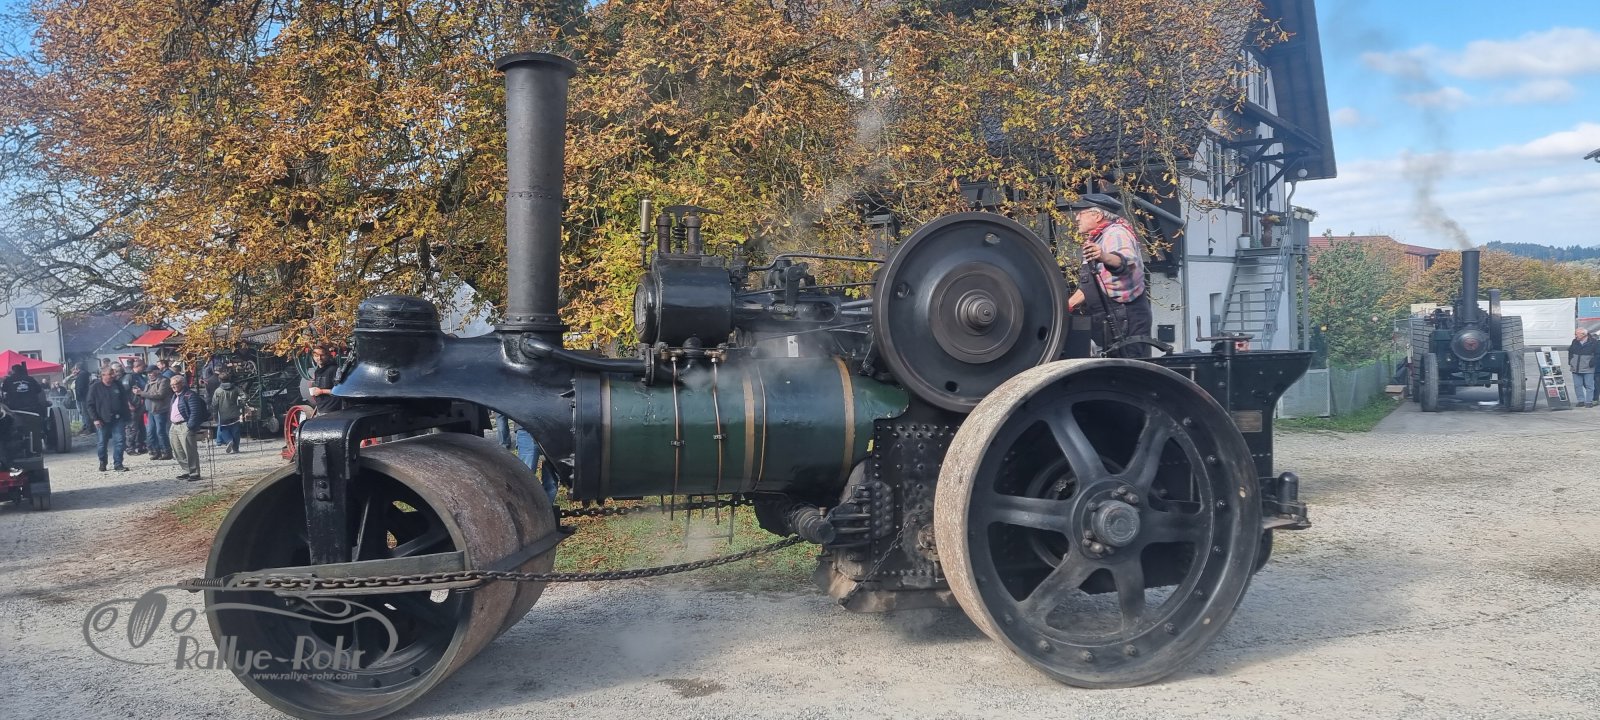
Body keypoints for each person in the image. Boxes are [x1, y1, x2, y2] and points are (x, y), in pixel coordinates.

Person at [1064, 192, 1152, 358]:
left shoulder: (1116, 233)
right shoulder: (1097, 239)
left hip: (1125, 322)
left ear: (1097, 216)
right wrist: (1066, 306)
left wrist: (1104, 256)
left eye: (1080, 213)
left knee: (1125, 368)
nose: (1076, 218)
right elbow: (1091, 285)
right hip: (1110, 320)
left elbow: (1126, 261)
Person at [85, 366, 132, 472]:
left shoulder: (118, 385)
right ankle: (103, 462)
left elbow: (124, 401)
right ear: (103, 375)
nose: (113, 375)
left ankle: (118, 464)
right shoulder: (95, 387)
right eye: (110, 374)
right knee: (102, 443)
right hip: (102, 419)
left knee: (120, 441)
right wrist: (95, 419)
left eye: (113, 373)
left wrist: (127, 416)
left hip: (118, 418)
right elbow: (90, 405)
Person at [168, 375, 209, 481]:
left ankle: (194, 473)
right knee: (177, 450)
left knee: (190, 450)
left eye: (175, 384)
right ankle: (187, 470)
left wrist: (189, 426)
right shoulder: (175, 396)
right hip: (174, 425)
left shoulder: (190, 395)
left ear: (182, 384)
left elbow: (195, 412)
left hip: (184, 425)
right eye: (171, 385)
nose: (173, 387)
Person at [2, 364, 48, 455]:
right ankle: (43, 429)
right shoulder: (30, 379)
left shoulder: (8, 380)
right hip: (32, 408)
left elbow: (4, 390)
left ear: (13, 371)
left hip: (14, 409)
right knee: (40, 420)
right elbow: (39, 390)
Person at [515, 427, 556, 506]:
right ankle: (527, 509)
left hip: (552, 430)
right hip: (527, 429)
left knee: (551, 482)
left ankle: (546, 510)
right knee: (525, 481)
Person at [143, 363, 175, 460]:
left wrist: (142, 393)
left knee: (160, 432)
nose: (149, 374)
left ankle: (166, 452)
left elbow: (160, 395)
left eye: (151, 372)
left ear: (157, 371)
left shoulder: (164, 381)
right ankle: (155, 451)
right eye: (148, 373)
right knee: (150, 432)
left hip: (160, 410)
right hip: (150, 411)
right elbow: (148, 394)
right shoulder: (148, 382)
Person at [211, 374, 245, 453]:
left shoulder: (218, 391)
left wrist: (215, 415)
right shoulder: (236, 389)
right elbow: (244, 396)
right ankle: (236, 448)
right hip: (235, 413)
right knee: (235, 431)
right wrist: (240, 405)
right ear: (229, 379)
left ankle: (229, 440)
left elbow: (214, 404)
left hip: (223, 415)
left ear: (219, 380)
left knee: (224, 429)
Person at [122, 359, 149, 455]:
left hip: (140, 406)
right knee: (132, 427)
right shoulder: (129, 377)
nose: (144, 368)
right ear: (137, 366)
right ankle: (129, 447)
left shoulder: (140, 376)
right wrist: (129, 404)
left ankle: (140, 445)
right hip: (133, 406)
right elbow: (124, 393)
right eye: (143, 366)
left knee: (140, 427)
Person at [307, 346, 343, 415]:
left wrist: (322, 391)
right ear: (313, 357)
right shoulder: (317, 371)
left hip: (332, 410)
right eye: (316, 356)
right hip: (321, 409)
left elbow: (340, 390)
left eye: (322, 355)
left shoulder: (334, 369)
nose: (319, 358)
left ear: (327, 356)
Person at [1569, 327, 1596, 408]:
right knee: (1577, 385)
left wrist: (1592, 363)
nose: (1575, 336)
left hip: (1588, 368)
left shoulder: (1594, 342)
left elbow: (1597, 354)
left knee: (1589, 385)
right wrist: (1570, 362)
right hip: (1575, 368)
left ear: (1583, 334)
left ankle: (1589, 402)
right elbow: (1570, 352)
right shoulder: (1574, 341)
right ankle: (1581, 401)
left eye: (1576, 334)